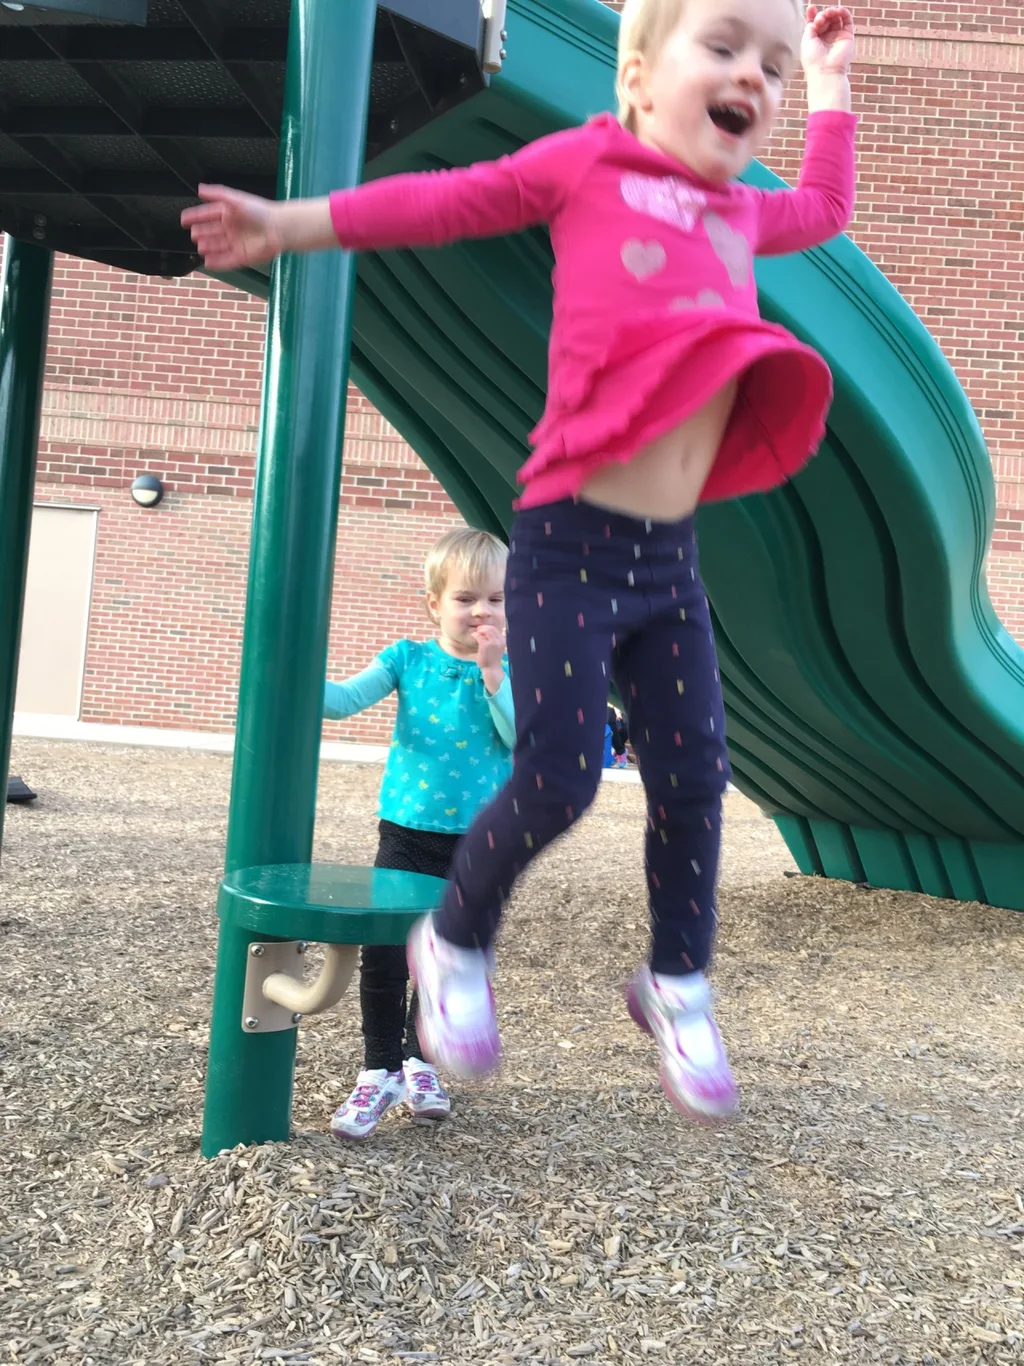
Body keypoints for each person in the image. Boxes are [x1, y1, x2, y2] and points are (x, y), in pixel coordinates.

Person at [183, 0, 857, 1123]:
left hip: (668, 558)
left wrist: (834, 81)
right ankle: (453, 940)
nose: (757, 78)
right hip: (567, 541)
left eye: (774, 69)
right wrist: (289, 227)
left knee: (694, 774)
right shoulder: (589, 164)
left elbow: (827, 207)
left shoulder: (743, 213)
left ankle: (677, 979)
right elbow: (443, 202)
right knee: (561, 773)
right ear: (638, 80)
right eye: (727, 49)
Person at [320, 528, 514, 1140]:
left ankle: (420, 1063)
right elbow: (346, 700)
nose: (481, 611)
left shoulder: (511, 670)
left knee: (448, 960)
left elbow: (520, 737)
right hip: (407, 834)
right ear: (435, 603)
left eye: (496, 599)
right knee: (386, 956)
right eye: (465, 598)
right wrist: (292, 670)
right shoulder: (407, 658)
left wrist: (492, 674)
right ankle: (378, 1070)